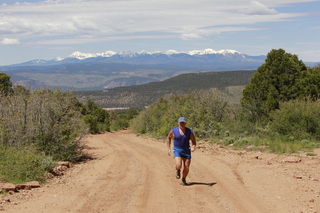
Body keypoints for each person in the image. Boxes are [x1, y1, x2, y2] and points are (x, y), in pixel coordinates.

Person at [166, 117, 196, 186]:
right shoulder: (173, 131)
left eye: (183, 122)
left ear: (185, 123)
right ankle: (178, 170)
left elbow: (194, 141)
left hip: (186, 150)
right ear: (178, 123)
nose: (182, 124)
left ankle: (183, 179)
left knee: (187, 166)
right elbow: (168, 138)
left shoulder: (189, 131)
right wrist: (168, 149)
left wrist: (193, 147)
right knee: (179, 165)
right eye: (181, 122)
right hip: (177, 149)